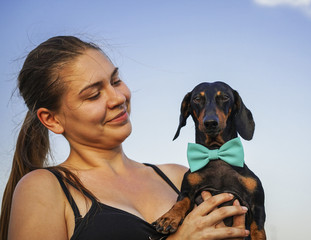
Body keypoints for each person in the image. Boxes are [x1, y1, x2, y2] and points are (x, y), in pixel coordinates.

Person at [0, 36, 250, 240]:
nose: (118, 98)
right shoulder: (44, 187)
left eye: (115, 80)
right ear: (52, 119)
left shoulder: (179, 175)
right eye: (93, 95)